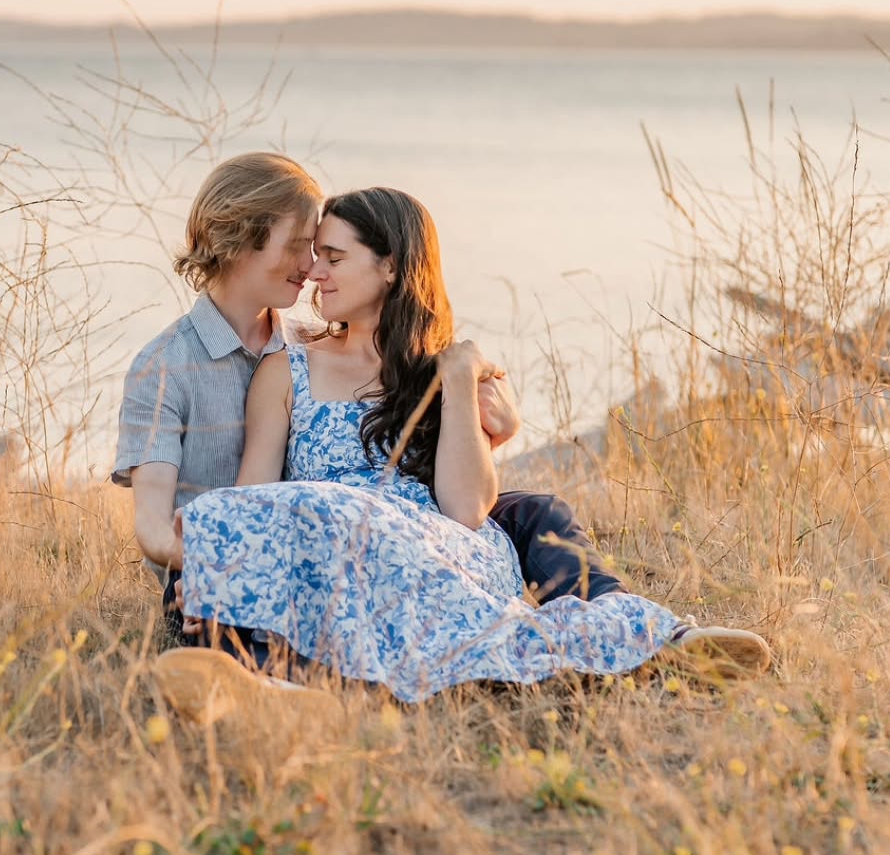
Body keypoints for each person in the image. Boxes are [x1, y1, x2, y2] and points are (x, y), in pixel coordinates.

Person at [176, 187, 771, 701]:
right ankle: (272, 691)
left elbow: (465, 509)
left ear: (390, 266)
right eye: (316, 258)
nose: (315, 274)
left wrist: (458, 381)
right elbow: (252, 497)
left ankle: (662, 641)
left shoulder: (447, 372)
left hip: (432, 550)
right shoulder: (288, 371)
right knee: (299, 524)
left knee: (370, 521)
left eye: (334, 258)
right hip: (329, 547)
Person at [113, 153, 648, 650]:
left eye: (325, 253)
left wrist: (491, 422)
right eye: (302, 246)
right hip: (240, 558)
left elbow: (445, 484)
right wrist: (221, 567)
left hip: (379, 539)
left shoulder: (308, 339)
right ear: (242, 240)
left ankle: (624, 625)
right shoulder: (167, 367)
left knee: (531, 510)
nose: (311, 267)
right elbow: (165, 526)